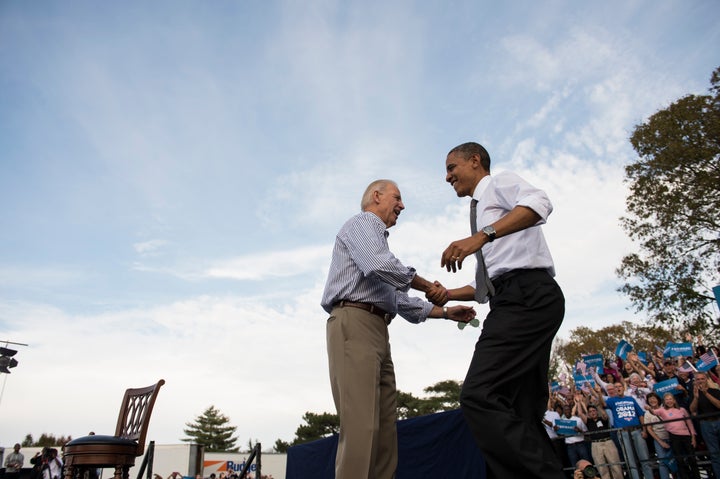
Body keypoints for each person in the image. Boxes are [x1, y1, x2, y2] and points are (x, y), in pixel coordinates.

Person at [321, 179, 477, 479]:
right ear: (376, 197)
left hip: (378, 330)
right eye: (397, 197)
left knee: (383, 430)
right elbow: (380, 265)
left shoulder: (375, 241)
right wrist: (427, 284)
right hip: (354, 324)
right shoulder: (363, 223)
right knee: (361, 427)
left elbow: (397, 300)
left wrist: (445, 312)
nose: (402, 205)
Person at [440, 141, 565, 478]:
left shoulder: (499, 184)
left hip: (529, 295)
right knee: (519, 410)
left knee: (480, 395)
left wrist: (484, 235)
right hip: (510, 297)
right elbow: (486, 284)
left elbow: (541, 203)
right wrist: (447, 294)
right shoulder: (478, 213)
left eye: (452, 168)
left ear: (474, 161)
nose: (447, 177)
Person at [604, 382, 653, 479]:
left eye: (620, 386)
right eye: (616, 387)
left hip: (637, 431)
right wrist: (595, 391)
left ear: (623, 388)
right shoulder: (611, 400)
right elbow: (601, 404)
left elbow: (640, 414)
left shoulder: (631, 399)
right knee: (631, 461)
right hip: (623, 433)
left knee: (645, 459)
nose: (618, 388)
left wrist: (644, 430)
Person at [648, 392, 699, 479]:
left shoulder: (682, 410)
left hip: (686, 436)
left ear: (674, 400)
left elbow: (689, 423)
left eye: (670, 399)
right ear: (664, 402)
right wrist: (649, 408)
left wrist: (693, 437)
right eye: (666, 399)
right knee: (679, 460)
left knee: (692, 458)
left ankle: (696, 476)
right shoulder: (662, 410)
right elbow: (653, 412)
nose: (669, 401)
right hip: (674, 437)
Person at [690, 371, 720, 478]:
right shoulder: (694, 394)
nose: (700, 381)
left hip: (718, 421)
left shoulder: (715, 391)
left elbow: (719, 405)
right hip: (705, 424)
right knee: (714, 454)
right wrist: (696, 397)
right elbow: (692, 410)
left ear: (706, 379)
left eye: (702, 379)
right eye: (698, 379)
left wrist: (706, 393)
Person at [644, 392, 675, 479]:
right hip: (659, 439)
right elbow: (649, 429)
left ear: (658, 399)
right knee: (662, 462)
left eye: (654, 398)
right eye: (650, 400)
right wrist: (660, 442)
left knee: (675, 459)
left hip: (671, 437)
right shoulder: (647, 413)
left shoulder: (665, 408)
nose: (652, 401)